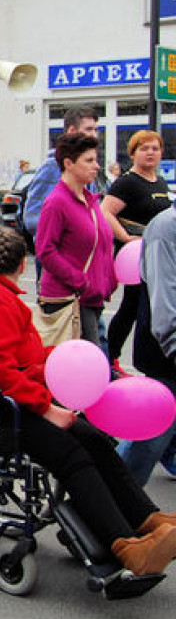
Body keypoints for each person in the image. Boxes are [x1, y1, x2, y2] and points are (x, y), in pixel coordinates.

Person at [0, 226, 176, 577]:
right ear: (21, 266)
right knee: (71, 454)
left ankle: (147, 519)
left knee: (94, 439)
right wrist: (46, 407)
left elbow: (18, 355)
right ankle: (124, 544)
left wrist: (66, 359)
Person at [100, 130, 171, 377]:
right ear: (133, 154)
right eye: (144, 149)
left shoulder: (159, 182)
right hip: (135, 256)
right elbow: (105, 212)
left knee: (147, 307)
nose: (150, 153)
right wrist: (126, 238)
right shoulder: (127, 182)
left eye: (154, 148)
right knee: (131, 308)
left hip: (157, 255)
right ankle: (111, 357)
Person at [35, 132, 116, 347]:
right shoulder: (56, 202)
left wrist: (109, 278)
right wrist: (81, 281)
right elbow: (45, 251)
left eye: (96, 160)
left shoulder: (90, 200)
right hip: (70, 301)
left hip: (91, 299)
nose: (96, 166)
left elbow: (102, 244)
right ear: (68, 163)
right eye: (89, 160)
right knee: (87, 369)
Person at [116, 204, 176, 484]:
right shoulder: (167, 227)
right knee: (149, 437)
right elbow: (164, 300)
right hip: (167, 353)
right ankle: (110, 504)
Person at [22, 105, 99, 243]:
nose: (94, 135)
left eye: (96, 129)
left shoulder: (88, 169)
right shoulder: (52, 167)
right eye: (88, 129)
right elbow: (32, 217)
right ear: (72, 131)